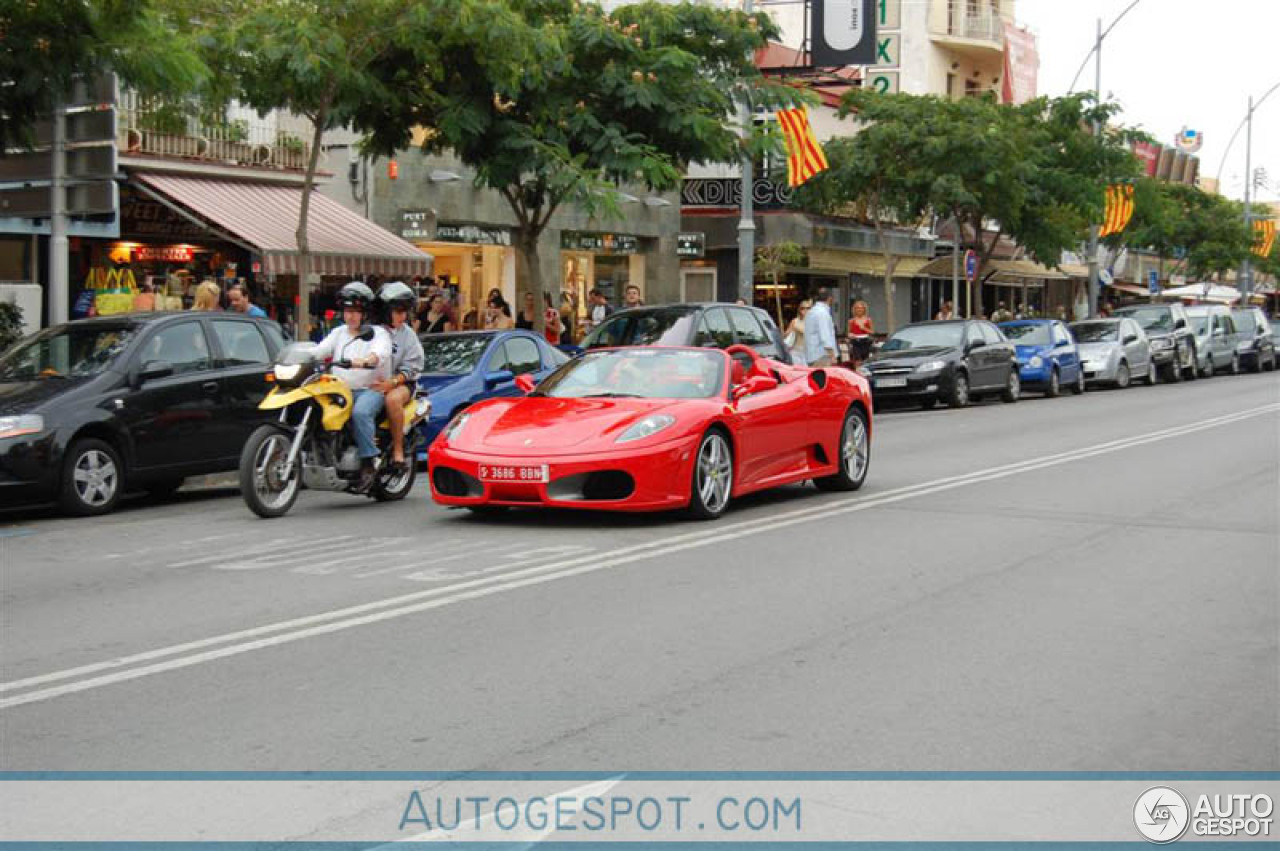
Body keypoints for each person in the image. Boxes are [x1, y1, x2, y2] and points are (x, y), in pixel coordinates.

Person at [311, 282, 391, 492]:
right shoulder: (338, 333)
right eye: (347, 311)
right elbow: (319, 351)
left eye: (355, 311)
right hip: (339, 389)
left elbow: (380, 353)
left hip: (370, 389)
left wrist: (367, 360)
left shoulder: (377, 333)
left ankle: (368, 462)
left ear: (365, 313)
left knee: (361, 413)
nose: (351, 316)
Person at [373, 282, 425, 472]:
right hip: (371, 383)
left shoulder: (408, 335)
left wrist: (393, 382)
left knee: (393, 400)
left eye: (405, 312)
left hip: (401, 383)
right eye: (398, 311)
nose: (403, 317)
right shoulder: (370, 330)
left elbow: (414, 366)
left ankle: (397, 450)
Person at [803, 287, 837, 368]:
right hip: (822, 355)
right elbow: (825, 336)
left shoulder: (812, 311)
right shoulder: (822, 313)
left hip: (812, 355)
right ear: (830, 298)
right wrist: (832, 355)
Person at [847, 299, 874, 365]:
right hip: (856, 342)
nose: (859, 310)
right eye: (857, 308)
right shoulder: (851, 321)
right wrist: (850, 335)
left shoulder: (868, 320)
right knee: (857, 361)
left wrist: (864, 328)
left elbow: (872, 332)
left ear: (864, 309)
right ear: (854, 310)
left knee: (865, 361)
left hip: (865, 342)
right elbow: (848, 333)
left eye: (861, 308)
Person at [784, 300, 811, 366]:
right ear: (799, 310)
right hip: (795, 351)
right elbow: (786, 335)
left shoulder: (812, 322)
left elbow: (807, 333)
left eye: (807, 308)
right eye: (803, 308)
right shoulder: (795, 321)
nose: (805, 310)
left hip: (807, 352)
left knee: (806, 372)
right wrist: (786, 332)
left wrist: (797, 328)